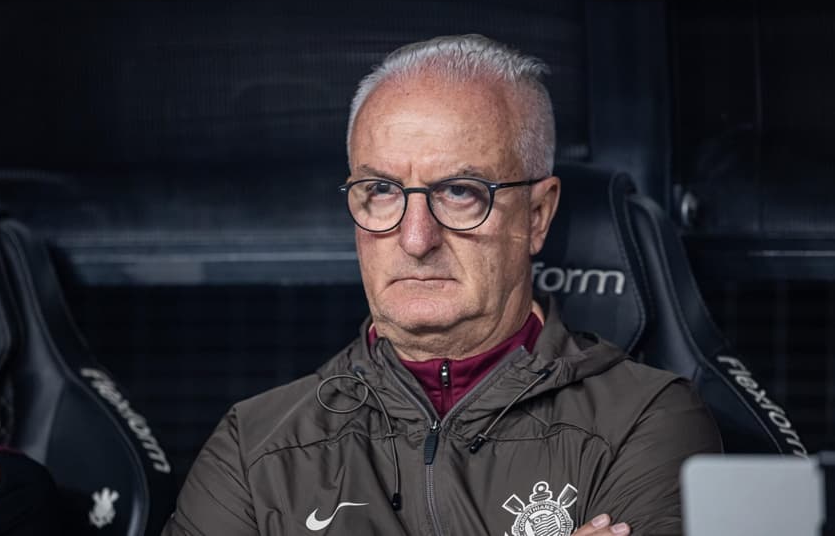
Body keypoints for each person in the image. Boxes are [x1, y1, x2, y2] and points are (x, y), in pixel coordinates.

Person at [162, 34, 721, 536]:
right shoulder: (254, 446)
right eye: (381, 190)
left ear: (537, 215)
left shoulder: (647, 420)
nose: (415, 237)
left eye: (459, 191)